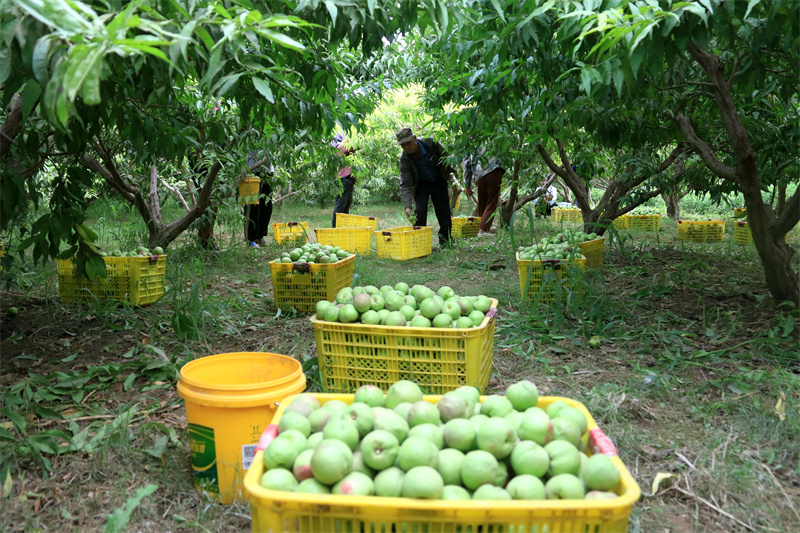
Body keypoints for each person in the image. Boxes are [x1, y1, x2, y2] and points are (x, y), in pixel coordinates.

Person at [396, 127, 457, 248]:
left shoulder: (431, 144)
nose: (406, 148)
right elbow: (405, 182)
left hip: (438, 180)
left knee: (444, 211)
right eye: (403, 145)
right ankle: (420, 243)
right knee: (420, 211)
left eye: (408, 144)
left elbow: (447, 158)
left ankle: (446, 242)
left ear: (414, 139)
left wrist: (450, 177)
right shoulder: (405, 158)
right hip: (421, 184)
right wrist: (407, 206)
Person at [463, 149, 506, 234]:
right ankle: (482, 230)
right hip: (494, 170)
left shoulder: (470, 144)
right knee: (491, 202)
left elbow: (467, 165)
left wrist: (467, 186)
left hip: (479, 174)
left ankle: (482, 228)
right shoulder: (491, 136)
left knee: (483, 202)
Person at [243, 151, 274, 248]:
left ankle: (259, 236)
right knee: (253, 205)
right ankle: (250, 238)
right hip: (252, 170)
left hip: (266, 171)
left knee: (267, 205)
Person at [331, 133, 357, 227]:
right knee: (341, 204)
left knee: (346, 204)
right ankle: (335, 227)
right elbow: (354, 146)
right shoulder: (340, 147)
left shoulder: (339, 147)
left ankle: (343, 226)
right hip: (344, 179)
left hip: (347, 179)